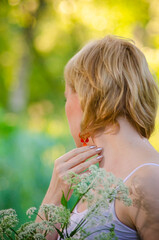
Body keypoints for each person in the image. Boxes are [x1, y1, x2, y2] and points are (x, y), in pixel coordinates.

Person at [36, 35, 159, 239]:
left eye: (67, 97)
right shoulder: (99, 178)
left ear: (86, 95)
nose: (66, 107)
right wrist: (55, 194)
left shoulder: (149, 181)